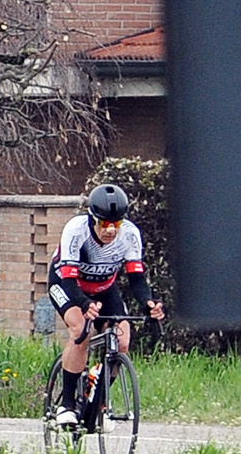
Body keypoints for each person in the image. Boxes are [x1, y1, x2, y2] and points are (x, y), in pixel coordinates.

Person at [51, 181, 161, 428]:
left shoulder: (130, 234)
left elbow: (136, 279)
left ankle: (97, 401)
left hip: (104, 288)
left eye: (116, 224)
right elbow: (68, 280)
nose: (110, 230)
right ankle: (66, 405)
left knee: (122, 342)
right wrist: (83, 303)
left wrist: (149, 304)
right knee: (81, 330)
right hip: (68, 285)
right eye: (104, 224)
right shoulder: (76, 230)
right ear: (93, 219)